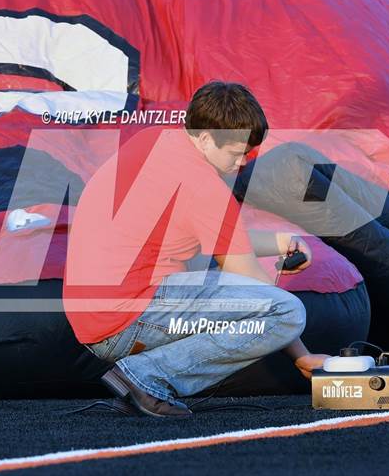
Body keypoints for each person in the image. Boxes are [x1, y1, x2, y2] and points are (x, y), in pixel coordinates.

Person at [63, 81, 328, 417]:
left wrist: (277, 241)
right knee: (288, 312)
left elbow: (214, 233)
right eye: (235, 153)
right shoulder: (204, 186)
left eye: (246, 153)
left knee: (206, 269)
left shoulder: (154, 140)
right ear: (205, 138)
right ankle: (147, 376)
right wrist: (302, 356)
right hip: (125, 319)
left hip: (92, 316)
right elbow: (261, 293)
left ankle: (142, 376)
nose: (241, 162)